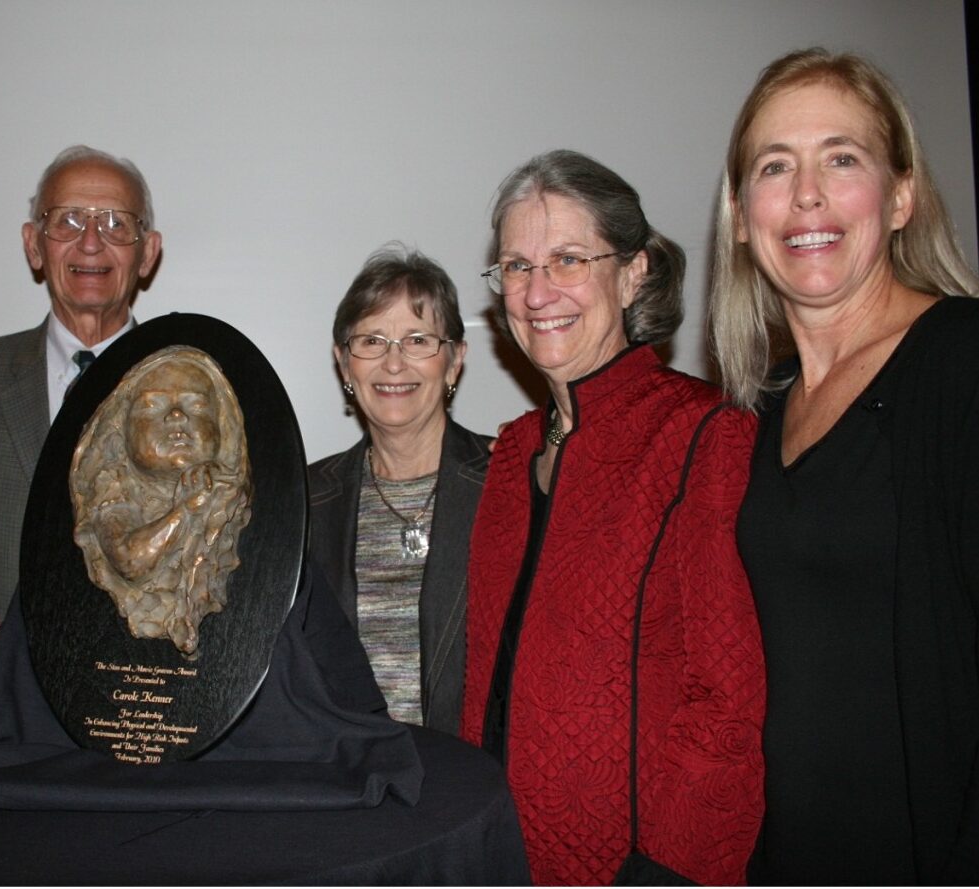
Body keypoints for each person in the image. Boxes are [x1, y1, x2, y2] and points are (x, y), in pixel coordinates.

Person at [709, 48, 979, 885]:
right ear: (741, 215)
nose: (807, 196)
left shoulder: (959, 361)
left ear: (900, 197)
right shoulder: (757, 411)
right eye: (774, 166)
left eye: (841, 158)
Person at [460, 149, 766, 885]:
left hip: (630, 865)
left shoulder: (700, 433)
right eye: (516, 266)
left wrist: (670, 872)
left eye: (567, 259)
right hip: (492, 851)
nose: (537, 293)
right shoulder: (510, 452)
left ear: (632, 273)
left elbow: (725, 701)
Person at [0, 145, 163, 617]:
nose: (90, 241)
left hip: (155, 682)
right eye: (67, 220)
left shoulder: (199, 391)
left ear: (147, 253)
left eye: (115, 223)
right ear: (33, 244)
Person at [308, 244, 490, 733]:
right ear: (344, 365)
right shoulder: (301, 503)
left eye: (417, 340)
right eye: (371, 341)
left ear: (454, 361)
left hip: (474, 780)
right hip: (349, 781)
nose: (393, 364)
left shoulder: (510, 481)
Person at [70, 346, 252, 655]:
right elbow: (130, 560)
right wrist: (185, 511)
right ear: (121, 429)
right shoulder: (114, 487)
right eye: (152, 406)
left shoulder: (229, 491)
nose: (178, 416)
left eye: (196, 406)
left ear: (223, 426)